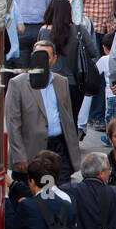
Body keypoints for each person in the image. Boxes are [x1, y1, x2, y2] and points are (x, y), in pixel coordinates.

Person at [6, 39, 81, 184]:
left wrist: (73, 152)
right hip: (32, 150)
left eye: (45, 56)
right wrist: (19, 155)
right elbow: (12, 123)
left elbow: (68, 118)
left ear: (54, 59)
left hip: (59, 147)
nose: (41, 59)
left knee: (61, 192)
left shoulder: (61, 82)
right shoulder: (18, 83)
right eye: (37, 54)